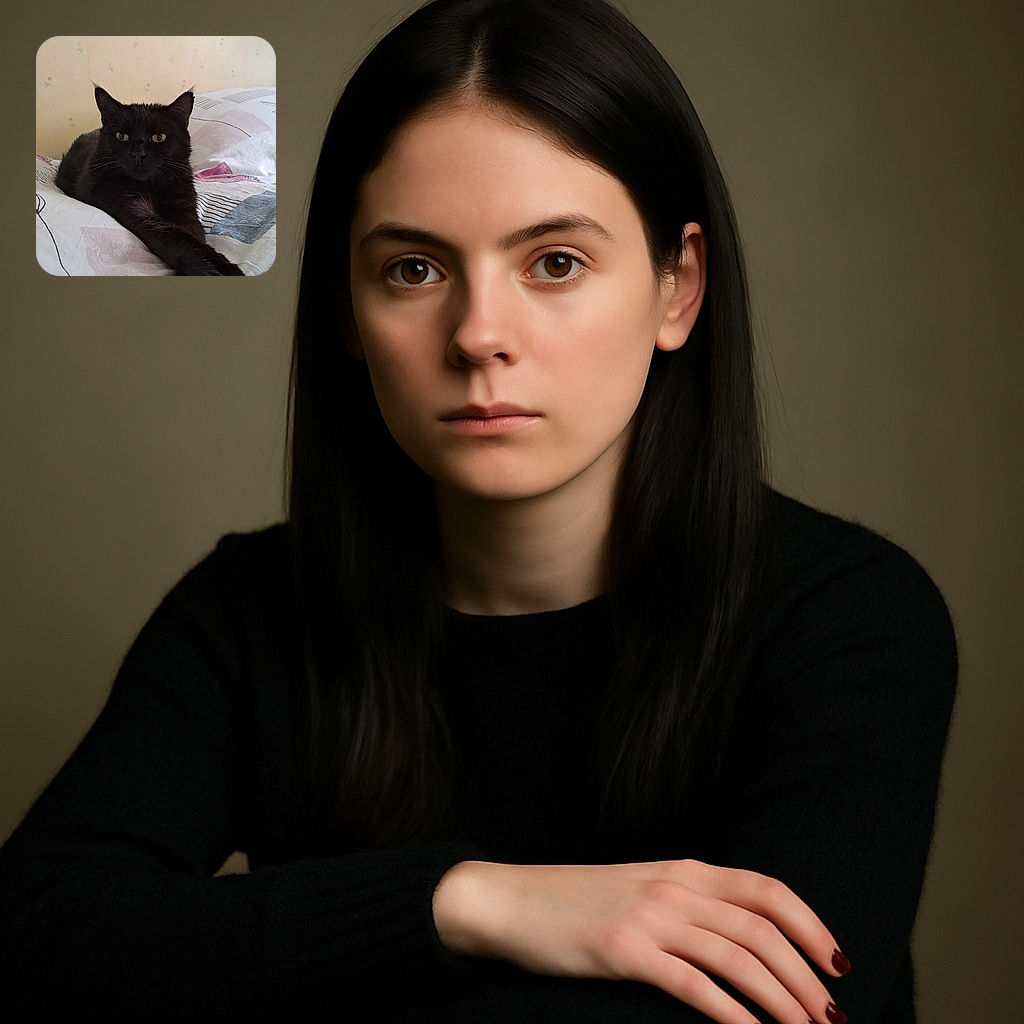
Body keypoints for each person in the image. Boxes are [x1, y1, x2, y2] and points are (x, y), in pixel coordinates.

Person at [0, 1, 956, 1021]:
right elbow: (33, 942)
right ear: (347, 312)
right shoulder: (247, 612)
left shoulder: (847, 622)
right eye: (413, 269)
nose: (478, 334)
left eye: (555, 262)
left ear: (678, 289)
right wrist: (464, 901)